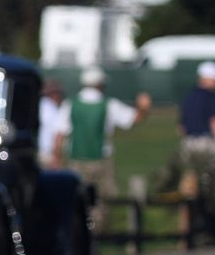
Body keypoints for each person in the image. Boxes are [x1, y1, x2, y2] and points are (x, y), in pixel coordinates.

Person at [53, 65, 152, 230]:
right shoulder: (109, 104)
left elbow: (59, 135)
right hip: (101, 160)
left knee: (78, 200)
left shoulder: (70, 104)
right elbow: (133, 119)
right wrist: (143, 107)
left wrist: (56, 158)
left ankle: (83, 233)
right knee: (101, 201)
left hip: (76, 160)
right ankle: (96, 233)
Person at [178, 61, 215, 158]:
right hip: (207, 143)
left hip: (188, 143)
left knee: (191, 171)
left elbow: (181, 127)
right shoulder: (212, 97)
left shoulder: (189, 97)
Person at [37, 79, 66, 168]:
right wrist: (56, 156)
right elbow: (57, 133)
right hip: (47, 152)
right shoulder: (51, 108)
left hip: (40, 150)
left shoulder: (41, 105)